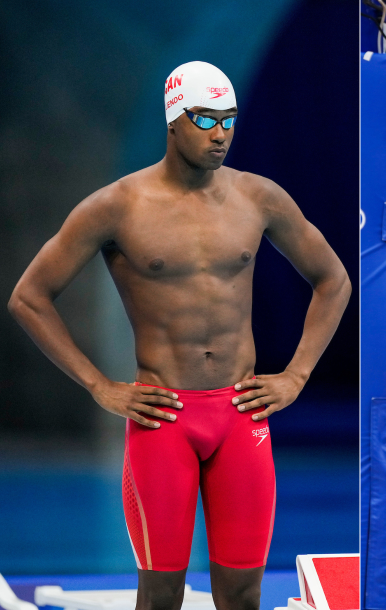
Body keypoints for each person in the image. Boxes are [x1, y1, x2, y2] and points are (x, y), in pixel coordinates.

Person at [8, 61, 351, 609]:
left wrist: (296, 376)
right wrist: (100, 386)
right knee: (161, 594)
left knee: (242, 594)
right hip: (163, 419)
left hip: (241, 417)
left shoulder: (258, 197)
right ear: (173, 120)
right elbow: (29, 297)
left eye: (229, 119)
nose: (221, 133)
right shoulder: (117, 206)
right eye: (206, 119)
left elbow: (333, 279)